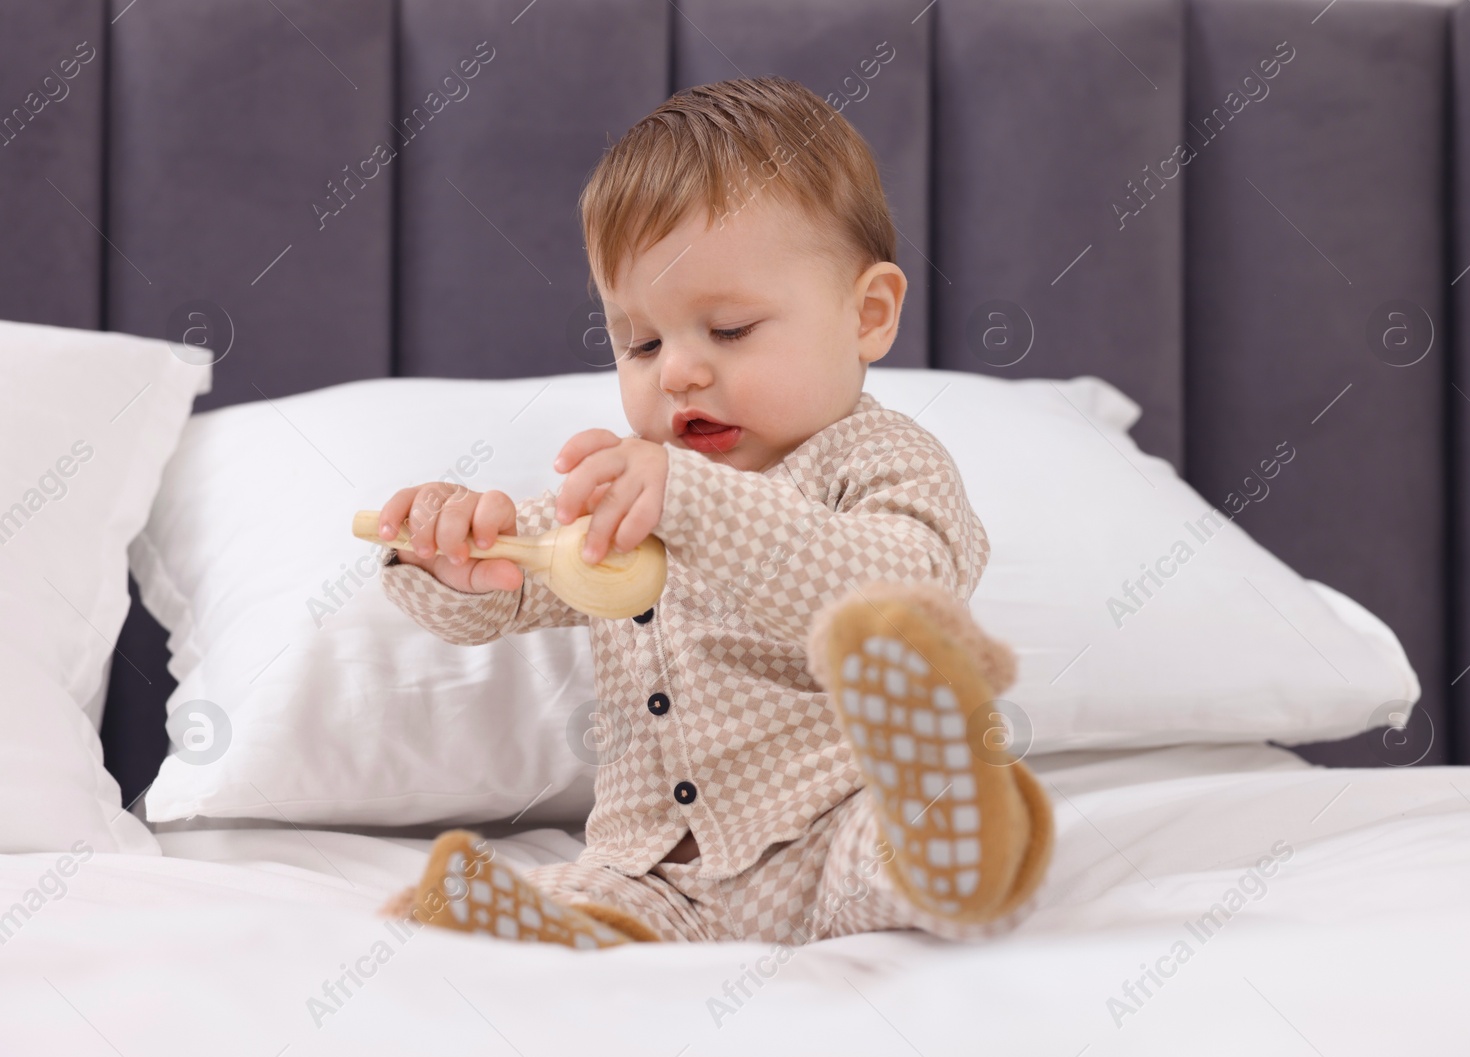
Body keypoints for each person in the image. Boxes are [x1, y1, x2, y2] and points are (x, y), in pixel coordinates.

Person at [373, 75, 1053, 947]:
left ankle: (962, 815)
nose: (678, 373)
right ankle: (546, 926)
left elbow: (897, 588)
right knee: (586, 901)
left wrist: (692, 500)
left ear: (868, 315)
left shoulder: (876, 459)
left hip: (832, 824)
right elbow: (513, 583)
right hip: (655, 866)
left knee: (895, 852)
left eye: (728, 329)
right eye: (642, 342)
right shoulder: (630, 489)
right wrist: (451, 554)